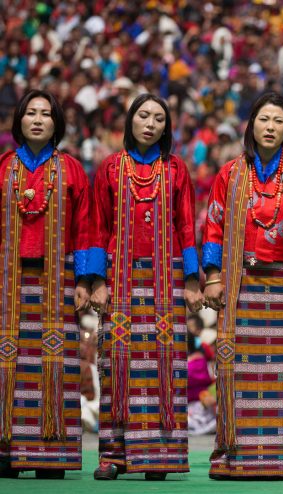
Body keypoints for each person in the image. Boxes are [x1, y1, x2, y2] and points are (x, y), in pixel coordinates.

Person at [202, 92, 283, 479]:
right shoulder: (230, 173)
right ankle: (234, 456)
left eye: (278, 121)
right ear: (251, 125)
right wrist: (213, 276)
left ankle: (282, 459)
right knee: (236, 368)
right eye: (263, 120)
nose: (270, 128)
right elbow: (214, 225)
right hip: (240, 285)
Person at [88, 93, 203, 481]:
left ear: (166, 127)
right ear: (130, 121)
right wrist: (96, 281)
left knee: (162, 364)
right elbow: (98, 227)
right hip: (119, 277)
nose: (150, 123)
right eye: (143, 115)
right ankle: (112, 456)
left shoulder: (176, 170)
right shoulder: (109, 168)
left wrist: (191, 279)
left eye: (158, 118)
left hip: (165, 277)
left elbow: (186, 226)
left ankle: (159, 455)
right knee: (116, 363)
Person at [0, 90, 94, 480]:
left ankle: (50, 452)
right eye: (30, 113)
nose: (38, 119)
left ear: (57, 122)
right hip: (8, 284)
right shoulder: (3, 167)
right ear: (19, 120)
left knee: (54, 365)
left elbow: (86, 228)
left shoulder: (70, 169)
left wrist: (87, 280)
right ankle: (6, 450)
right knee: (10, 365)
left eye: (45, 113)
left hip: (58, 282)